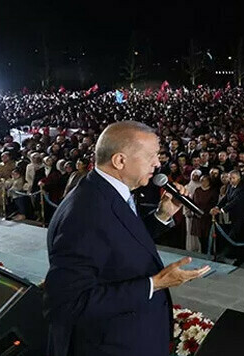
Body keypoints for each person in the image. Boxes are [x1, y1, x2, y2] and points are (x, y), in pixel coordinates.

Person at [43, 121, 210, 356]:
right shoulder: (86, 213)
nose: (158, 163)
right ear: (120, 160)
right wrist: (155, 284)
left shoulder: (105, 192)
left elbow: (119, 243)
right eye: (151, 156)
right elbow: (68, 304)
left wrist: (161, 216)